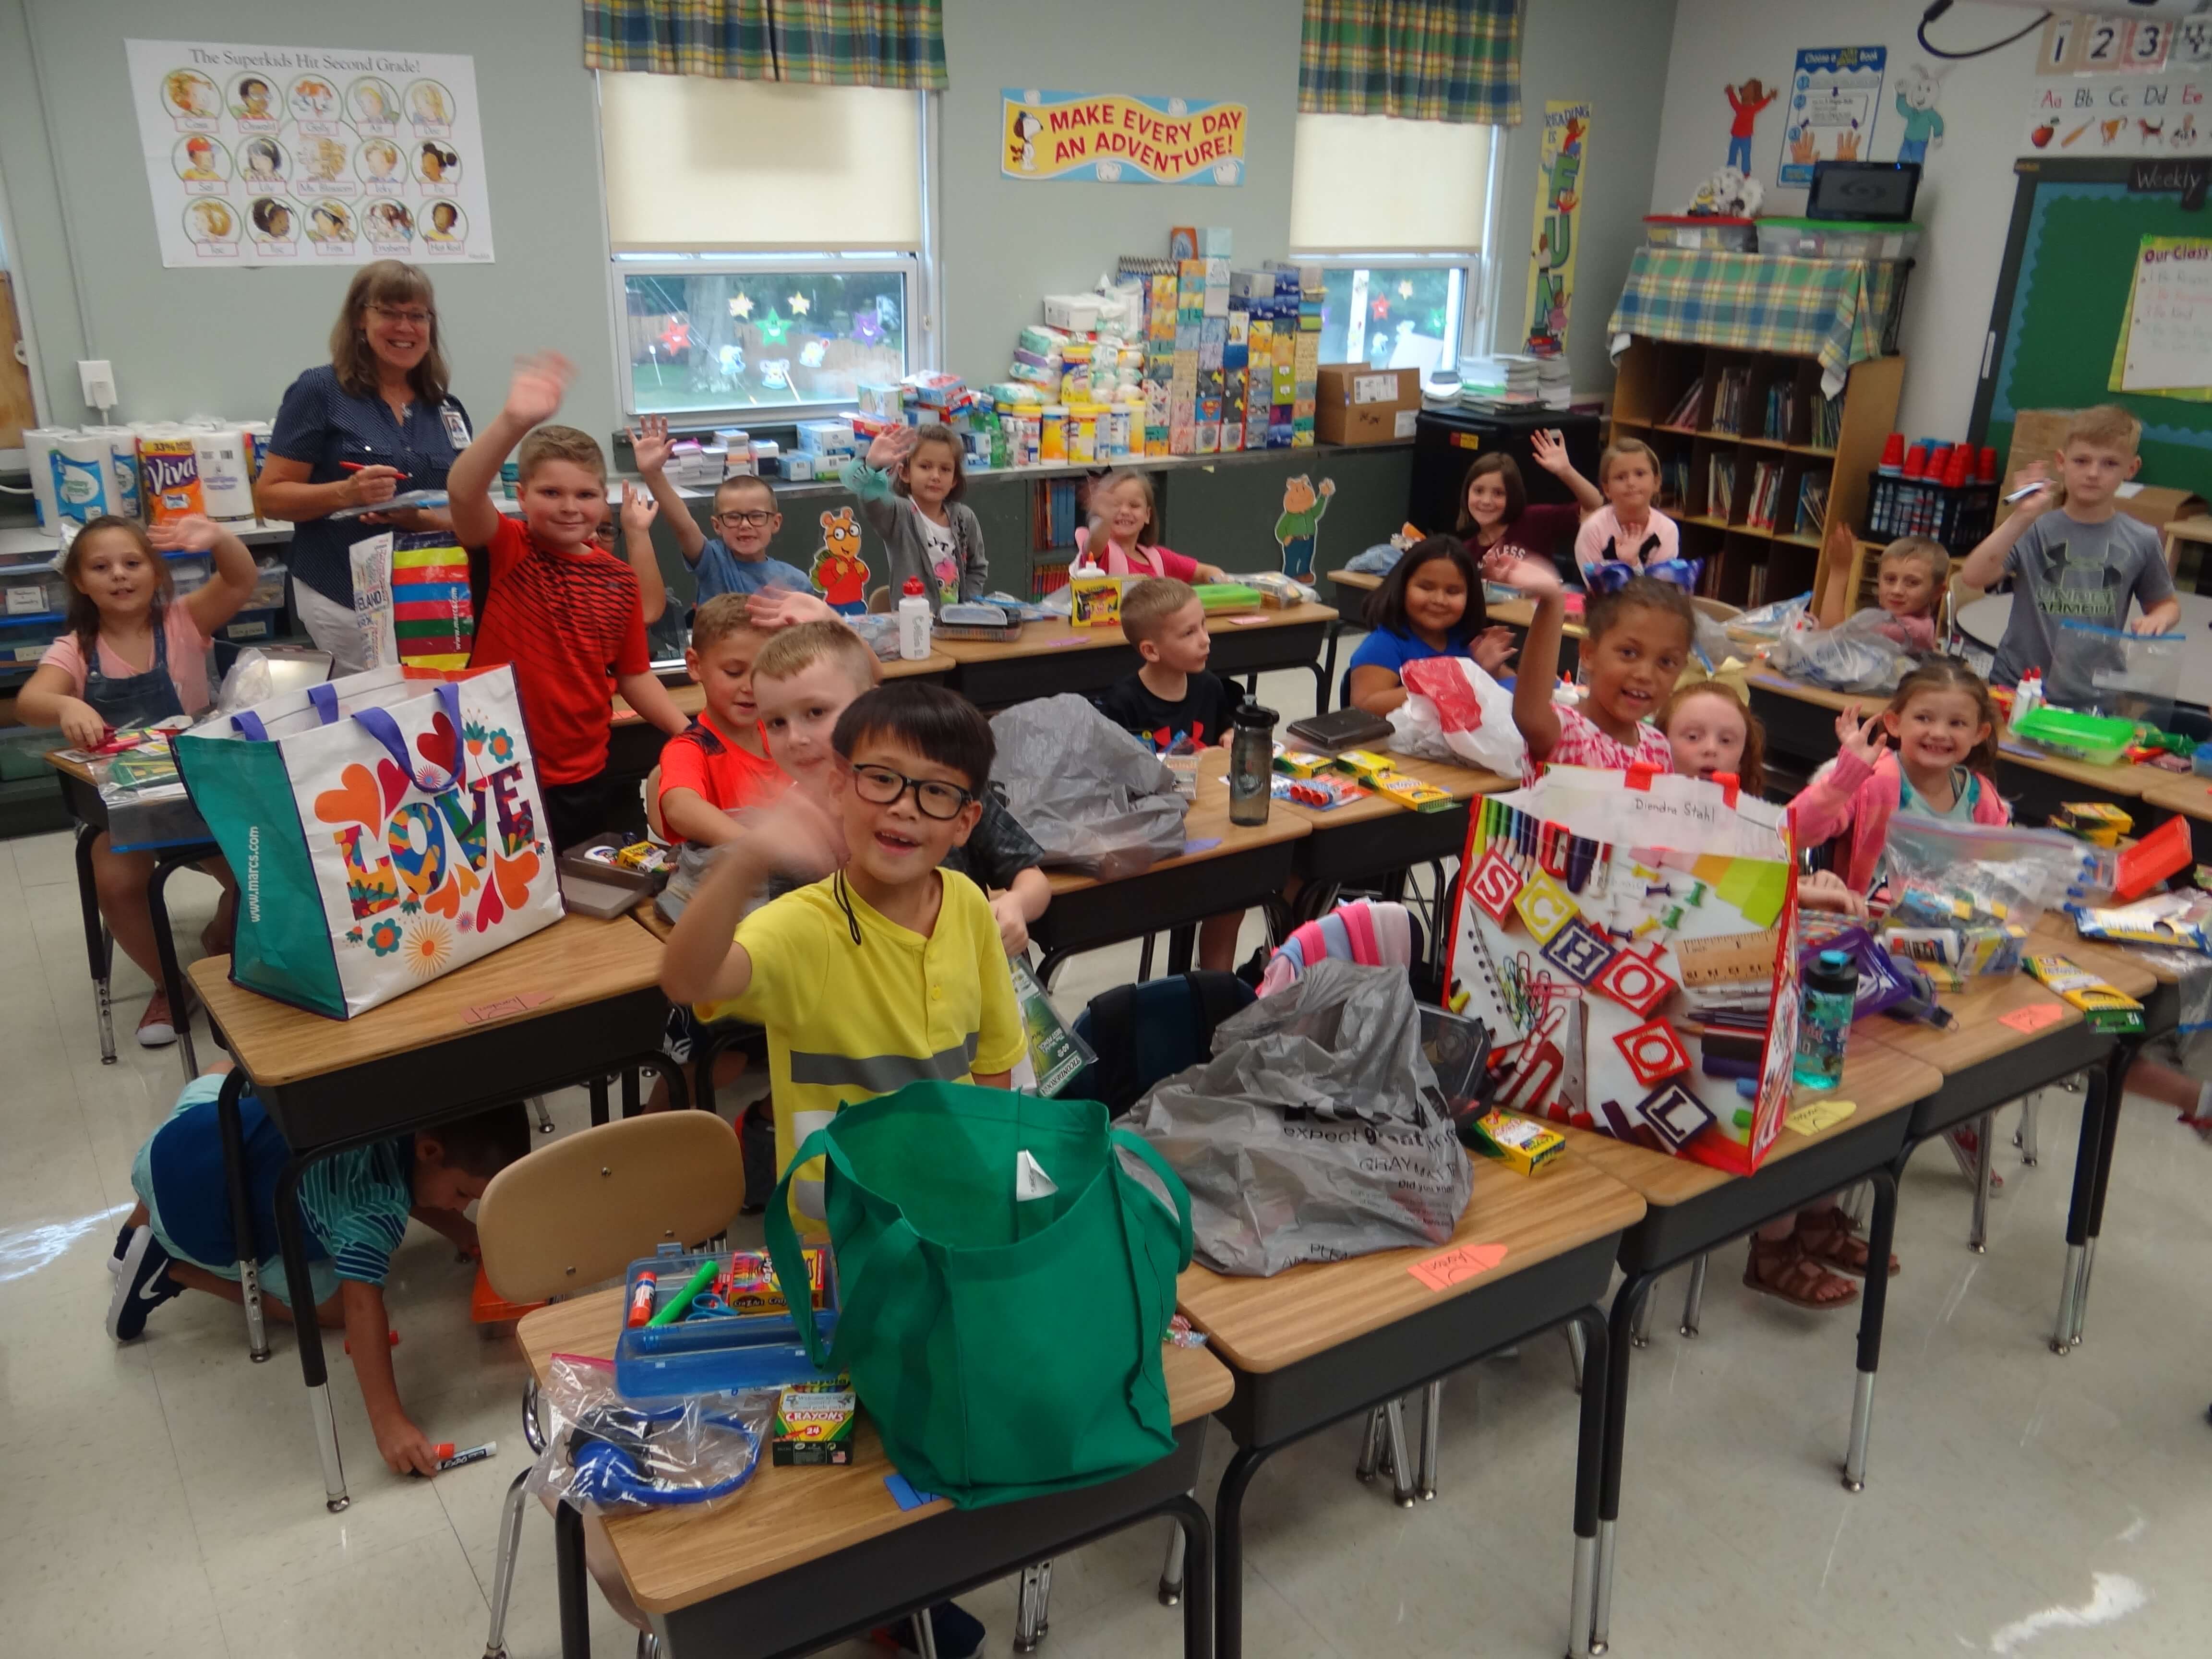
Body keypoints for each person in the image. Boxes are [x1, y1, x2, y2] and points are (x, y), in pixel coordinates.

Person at [660, 681, 1027, 1234]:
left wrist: (988, 1179)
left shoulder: (970, 906)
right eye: (881, 780)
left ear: (965, 822)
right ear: (837, 789)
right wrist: (748, 859)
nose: (904, 806)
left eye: (936, 792)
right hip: (839, 1228)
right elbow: (689, 979)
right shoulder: (804, 926)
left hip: (951, 1206)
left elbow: (994, 1063)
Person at [107, 1059, 528, 1477]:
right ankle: (173, 1270)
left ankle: (138, 1225)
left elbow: (418, 1185)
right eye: (463, 1194)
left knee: (225, 1079)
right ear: (430, 1150)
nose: (462, 1206)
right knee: (334, 1311)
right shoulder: (372, 1211)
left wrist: (469, 1236)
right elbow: (362, 1308)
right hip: (196, 1227)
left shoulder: (386, 1095)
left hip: (173, 1142)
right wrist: (390, 1425)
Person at [1654, 684, 1882, 1309]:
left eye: (1726, 740)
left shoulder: (1742, 813)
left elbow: (1791, 832)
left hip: (1752, 989)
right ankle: (1774, 1243)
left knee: (1827, 1078)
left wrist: (1812, 877)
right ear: (1658, 741)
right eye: (1692, 736)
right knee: (1774, 1092)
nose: (1709, 750)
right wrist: (1804, 889)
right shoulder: (1645, 813)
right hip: (1688, 1009)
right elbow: (1702, 880)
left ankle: (1815, 1217)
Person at [18, 515, 257, 1045]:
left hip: (201, 795)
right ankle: (170, 983)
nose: (119, 576)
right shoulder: (76, 648)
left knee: (258, 870)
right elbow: (31, 701)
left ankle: (218, 943)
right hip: (122, 807)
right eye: (101, 567)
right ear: (80, 582)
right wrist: (65, 703)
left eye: (132, 563)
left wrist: (218, 538)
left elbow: (240, 581)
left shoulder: (184, 622)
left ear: (155, 572)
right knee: (117, 883)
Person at [447, 350, 688, 850]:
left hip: (584, 775)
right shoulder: (508, 548)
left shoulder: (619, 580)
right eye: (551, 493)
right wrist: (515, 421)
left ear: (604, 499)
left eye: (584, 495)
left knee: (580, 896)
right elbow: (464, 493)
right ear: (521, 492)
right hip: (497, 771)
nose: (569, 507)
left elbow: (634, 675)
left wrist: (687, 731)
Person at [753, 620, 1051, 957]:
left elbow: (1032, 878)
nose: (795, 739)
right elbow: (789, 945)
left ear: (868, 705)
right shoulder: (790, 829)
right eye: (776, 723)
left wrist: (1016, 905)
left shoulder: (943, 785)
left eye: (816, 712)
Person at [256, 261, 470, 671]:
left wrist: (419, 519)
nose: (405, 328)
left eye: (417, 316)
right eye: (389, 313)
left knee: (433, 711)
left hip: (432, 595)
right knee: (372, 716)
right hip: (343, 593)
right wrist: (345, 493)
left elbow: (466, 510)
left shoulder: (445, 408)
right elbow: (271, 498)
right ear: (360, 319)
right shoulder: (320, 391)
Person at [1958, 404, 2180, 692]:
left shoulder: (2142, 538)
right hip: (2018, 683)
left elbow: (2165, 604)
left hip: (2093, 688)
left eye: (2110, 464)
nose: (2093, 473)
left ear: (2131, 469)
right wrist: (2023, 516)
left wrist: (2160, 618)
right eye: (2081, 461)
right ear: (2061, 462)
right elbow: (1974, 577)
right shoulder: (2034, 528)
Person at [1096, 578, 1248, 971]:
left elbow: (1227, 726)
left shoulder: (1209, 687)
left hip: (1209, 824)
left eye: (1204, 626)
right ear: (1151, 650)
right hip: (1157, 837)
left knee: (1235, 894)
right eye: (1189, 632)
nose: (1206, 640)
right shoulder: (1122, 703)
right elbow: (1110, 778)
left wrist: (1231, 735)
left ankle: (1216, 987)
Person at [1790, 658, 2011, 893]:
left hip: (1948, 927)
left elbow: (2002, 875)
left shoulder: (1982, 800)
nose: (1938, 733)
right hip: (1870, 922)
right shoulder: (1872, 780)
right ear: (1895, 723)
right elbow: (1794, 833)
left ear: (1979, 733)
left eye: (1957, 723)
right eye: (1923, 718)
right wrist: (1843, 780)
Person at [1485, 553, 1686, 779]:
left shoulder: (1659, 747)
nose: (1645, 675)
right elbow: (1530, 715)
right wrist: (1552, 600)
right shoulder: (1569, 733)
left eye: (1666, 662)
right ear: (1589, 653)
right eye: (1629, 653)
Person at [627, 414, 811, 607]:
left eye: (757, 516)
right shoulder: (714, 562)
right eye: (733, 517)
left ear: (776, 523)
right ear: (717, 525)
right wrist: (653, 473)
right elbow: (684, 526)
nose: (745, 525)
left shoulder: (796, 582)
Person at [655, 595, 786, 850]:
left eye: (766, 671)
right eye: (734, 673)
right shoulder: (689, 750)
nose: (750, 687)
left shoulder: (783, 730)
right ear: (695, 665)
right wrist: (763, 850)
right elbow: (680, 807)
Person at [1345, 535, 1518, 716]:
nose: (1439, 600)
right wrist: (1464, 678)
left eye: (1453, 592)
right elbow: (1364, 708)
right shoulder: (1383, 645)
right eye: (1426, 588)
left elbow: (1516, 694)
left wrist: (1493, 670)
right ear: (1402, 587)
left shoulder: (1469, 642)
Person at [843, 424, 986, 609]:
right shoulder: (899, 514)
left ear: (954, 480)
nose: (936, 476)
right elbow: (871, 499)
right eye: (925, 467)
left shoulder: (965, 518)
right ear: (904, 473)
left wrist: (968, 607)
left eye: (945, 469)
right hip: (912, 624)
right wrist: (872, 465)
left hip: (955, 625)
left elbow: (977, 568)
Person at [1457, 434, 1604, 567]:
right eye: (1479, 491)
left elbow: (1595, 506)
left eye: (1498, 493)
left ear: (1513, 495)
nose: (1486, 501)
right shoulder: (1465, 551)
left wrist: (1566, 471)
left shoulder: (1534, 519)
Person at [1074, 469, 1225, 581]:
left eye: (1134, 506)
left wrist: (1220, 581)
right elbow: (1097, 540)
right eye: (1115, 505)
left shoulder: (1159, 557)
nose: (1125, 511)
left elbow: (1207, 572)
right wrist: (1102, 519)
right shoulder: (1102, 552)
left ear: (1148, 515)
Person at [1572, 439, 1680, 585]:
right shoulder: (1593, 529)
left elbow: (1659, 594)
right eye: (1621, 477)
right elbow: (1597, 592)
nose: (1631, 483)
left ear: (1656, 483)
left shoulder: (1668, 530)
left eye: (1640, 474)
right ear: (1607, 489)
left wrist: (1633, 563)